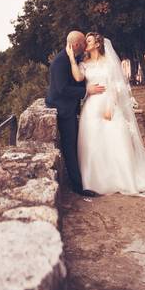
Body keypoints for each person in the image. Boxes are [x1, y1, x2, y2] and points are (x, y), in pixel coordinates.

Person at [68, 32, 145, 197]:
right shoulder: (84, 63)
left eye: (89, 41)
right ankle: (95, 181)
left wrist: (110, 106)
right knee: (92, 141)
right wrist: (72, 59)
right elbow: (79, 78)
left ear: (97, 44)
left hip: (107, 104)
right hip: (91, 107)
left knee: (114, 139)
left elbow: (116, 86)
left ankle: (120, 178)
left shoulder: (108, 62)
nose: (85, 43)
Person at [45, 30, 105, 196]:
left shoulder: (74, 58)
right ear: (77, 45)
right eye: (84, 43)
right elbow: (62, 89)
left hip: (71, 107)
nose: (86, 46)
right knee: (70, 147)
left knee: (77, 145)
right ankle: (78, 187)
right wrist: (87, 91)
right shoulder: (59, 62)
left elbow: (78, 77)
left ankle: (85, 179)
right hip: (62, 109)